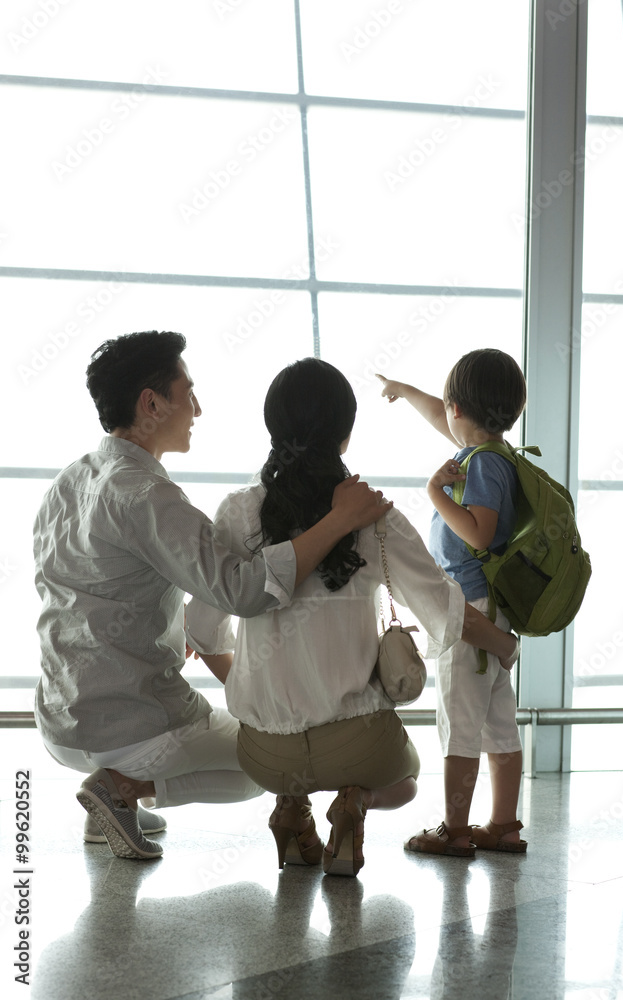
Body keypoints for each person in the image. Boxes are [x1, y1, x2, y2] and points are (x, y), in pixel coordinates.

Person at [34, 331, 388, 861]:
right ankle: (122, 788)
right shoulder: (147, 495)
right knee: (266, 765)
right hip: (129, 725)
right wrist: (339, 520)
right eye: (188, 392)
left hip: (59, 718)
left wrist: (175, 622)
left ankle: (114, 800)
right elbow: (245, 590)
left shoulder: (70, 480)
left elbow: (88, 588)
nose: (197, 408)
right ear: (151, 403)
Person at [185, 358, 520, 877]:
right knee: (405, 781)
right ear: (345, 437)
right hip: (358, 744)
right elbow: (444, 608)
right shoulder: (374, 517)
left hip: (266, 754)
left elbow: (202, 630)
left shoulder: (237, 512)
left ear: (274, 427)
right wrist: (501, 641)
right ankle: (354, 806)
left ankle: (292, 810)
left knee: (280, 758)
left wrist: (255, 689)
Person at [378, 347, 528, 856]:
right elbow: (444, 415)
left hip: (471, 605)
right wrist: (404, 389)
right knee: (497, 722)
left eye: (446, 407)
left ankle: (455, 829)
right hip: (491, 605)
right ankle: (504, 826)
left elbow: (480, 534)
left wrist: (434, 493)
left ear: (458, 409)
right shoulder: (493, 452)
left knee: (458, 726)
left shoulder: (481, 466)